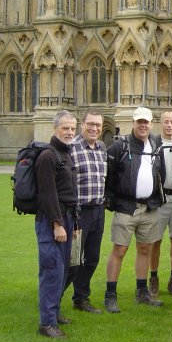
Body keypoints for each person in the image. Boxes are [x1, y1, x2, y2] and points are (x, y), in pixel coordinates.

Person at [103, 107, 165, 312]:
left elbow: (160, 174)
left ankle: (141, 292)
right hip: (126, 206)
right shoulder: (120, 146)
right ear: (133, 123)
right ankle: (110, 295)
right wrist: (112, 201)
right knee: (119, 249)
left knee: (145, 249)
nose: (143, 125)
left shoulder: (156, 145)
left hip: (149, 207)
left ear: (151, 124)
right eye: (139, 121)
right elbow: (108, 175)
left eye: (146, 122)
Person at [35, 110, 78, 338]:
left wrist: (73, 222)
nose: (70, 132)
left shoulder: (65, 154)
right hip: (53, 221)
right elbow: (48, 194)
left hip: (67, 219)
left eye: (72, 128)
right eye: (65, 128)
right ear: (55, 129)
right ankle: (46, 324)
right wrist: (57, 224)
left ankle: (55, 313)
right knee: (52, 270)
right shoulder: (48, 156)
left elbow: (69, 191)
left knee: (62, 271)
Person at [62, 110, 107, 314]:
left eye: (98, 125)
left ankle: (81, 298)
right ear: (82, 124)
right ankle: (53, 299)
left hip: (98, 210)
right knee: (72, 261)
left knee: (92, 259)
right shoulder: (71, 148)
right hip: (78, 213)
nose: (94, 128)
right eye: (90, 124)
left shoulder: (101, 148)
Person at [149, 111, 172, 298]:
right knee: (155, 241)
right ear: (161, 123)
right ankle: (153, 279)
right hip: (159, 201)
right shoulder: (154, 144)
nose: (169, 125)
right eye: (166, 122)